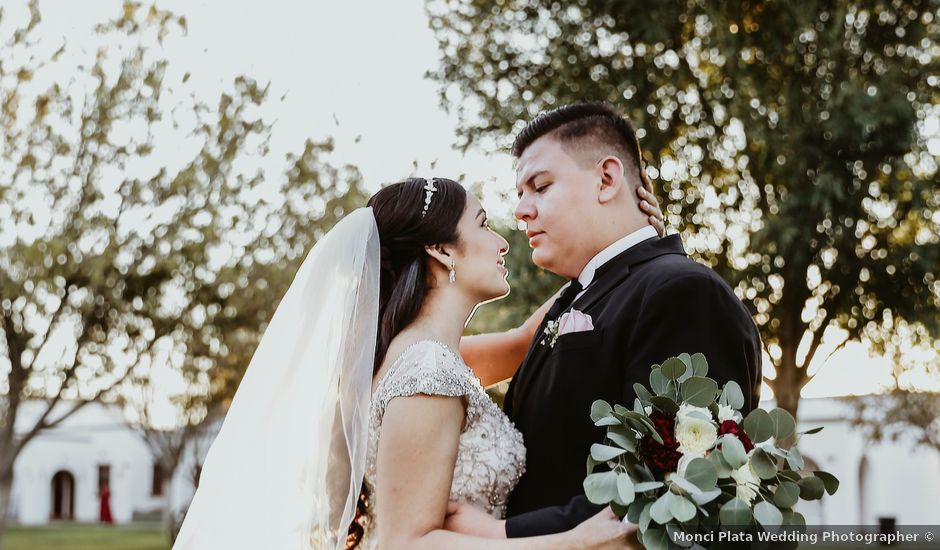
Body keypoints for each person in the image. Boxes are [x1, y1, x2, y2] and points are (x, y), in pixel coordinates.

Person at [173, 176, 665, 550]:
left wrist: (629, 242)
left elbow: (524, 339)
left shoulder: (418, 356)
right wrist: (571, 542)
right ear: (441, 250)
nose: (502, 242)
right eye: (484, 225)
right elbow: (408, 545)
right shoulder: (426, 373)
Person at [447, 102, 764, 538]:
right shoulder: (579, 298)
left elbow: (679, 485)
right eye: (520, 194)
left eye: (539, 186)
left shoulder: (683, 293)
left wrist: (502, 534)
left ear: (606, 178)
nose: (520, 210)